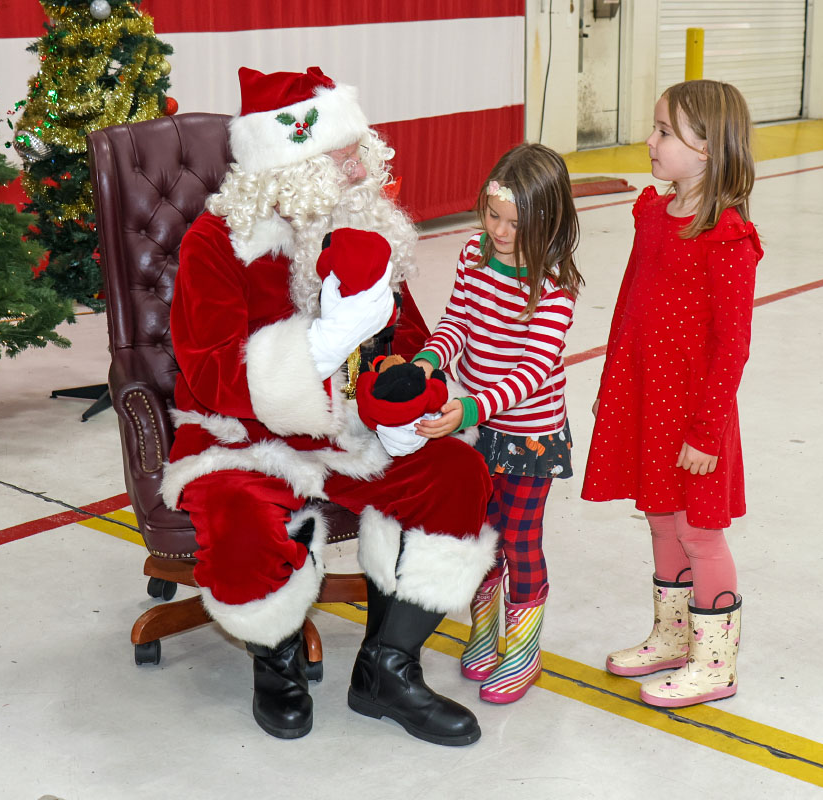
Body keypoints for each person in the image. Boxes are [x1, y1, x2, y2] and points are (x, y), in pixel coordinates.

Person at [162, 66, 498, 746]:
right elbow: (212, 372)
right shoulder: (218, 242)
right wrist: (320, 349)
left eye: (358, 148)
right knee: (237, 512)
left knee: (456, 475)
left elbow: (406, 334)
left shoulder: (362, 224)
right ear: (291, 167)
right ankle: (276, 661)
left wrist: (413, 389)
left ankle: (387, 670)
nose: (362, 165)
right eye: (343, 155)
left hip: (353, 429)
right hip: (242, 434)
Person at [582, 80, 763, 708]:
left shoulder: (728, 238)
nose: (650, 140)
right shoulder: (653, 215)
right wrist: (612, 382)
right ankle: (672, 635)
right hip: (646, 396)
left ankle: (715, 664)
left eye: (664, 131)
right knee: (660, 517)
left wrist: (706, 434)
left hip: (693, 413)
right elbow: (629, 304)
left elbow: (732, 346)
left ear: (707, 147)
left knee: (699, 531)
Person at [413, 143, 582, 704]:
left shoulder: (553, 286)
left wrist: (469, 408)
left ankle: (523, 650)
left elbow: (532, 371)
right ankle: (484, 632)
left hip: (530, 434)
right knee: (481, 532)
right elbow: (457, 322)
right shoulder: (473, 254)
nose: (501, 232)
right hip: (478, 426)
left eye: (516, 223)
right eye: (493, 216)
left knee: (518, 538)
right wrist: (430, 359)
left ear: (548, 220)